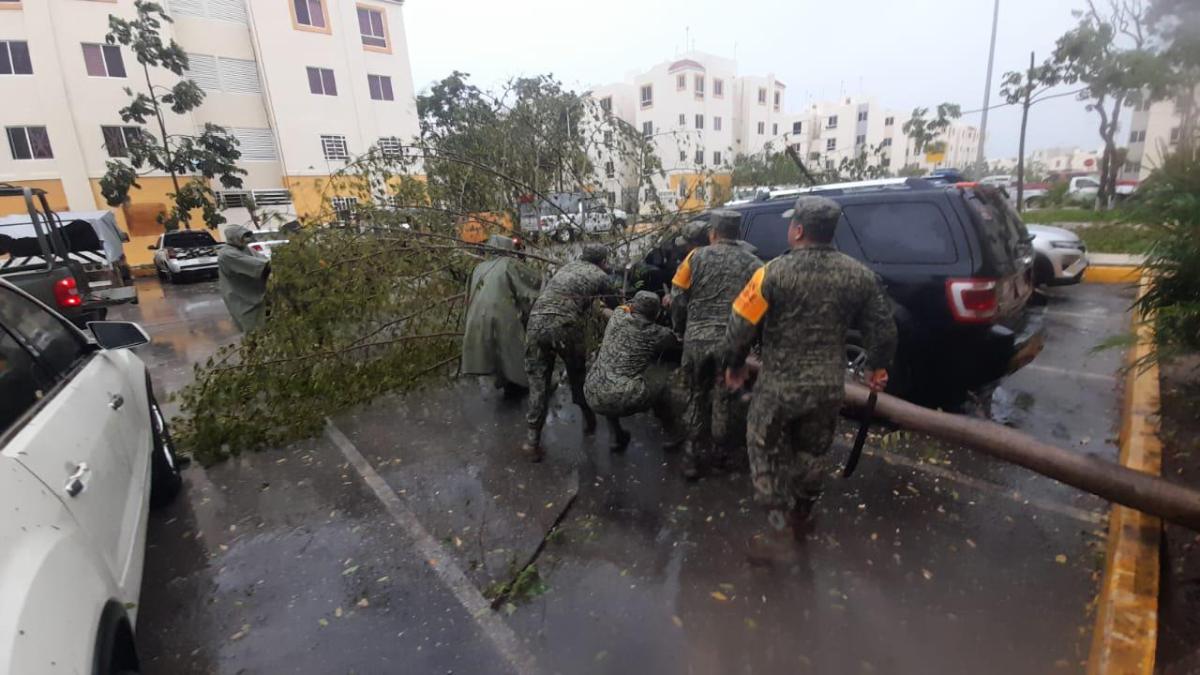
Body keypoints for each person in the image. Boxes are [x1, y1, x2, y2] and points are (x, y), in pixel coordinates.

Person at [724, 196, 896, 562]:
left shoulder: (770, 273)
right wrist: (875, 368)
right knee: (812, 452)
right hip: (827, 388)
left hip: (778, 388)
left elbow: (739, 327)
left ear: (798, 230)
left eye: (791, 224)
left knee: (763, 451)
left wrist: (735, 365)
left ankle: (776, 530)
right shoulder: (859, 275)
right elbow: (883, 329)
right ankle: (802, 514)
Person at [670, 209, 762, 479]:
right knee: (724, 398)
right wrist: (753, 342)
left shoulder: (694, 257)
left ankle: (691, 457)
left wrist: (679, 327)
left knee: (696, 397)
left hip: (696, 340)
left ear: (712, 233)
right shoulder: (754, 265)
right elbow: (758, 309)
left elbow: (677, 297)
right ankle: (721, 454)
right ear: (739, 233)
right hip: (730, 344)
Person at [522, 243, 619, 461]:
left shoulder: (566, 268)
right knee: (578, 376)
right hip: (565, 327)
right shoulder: (600, 275)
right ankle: (589, 420)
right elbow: (617, 305)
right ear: (602, 261)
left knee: (538, 383)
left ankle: (531, 441)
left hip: (536, 324)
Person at [584, 291, 680, 452]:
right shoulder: (657, 333)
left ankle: (616, 436)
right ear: (656, 313)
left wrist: (599, 305)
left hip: (592, 390)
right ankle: (671, 433)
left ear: (633, 306)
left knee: (611, 378)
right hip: (622, 398)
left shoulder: (618, 316)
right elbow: (677, 341)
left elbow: (608, 310)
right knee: (662, 379)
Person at [461, 234, 542, 397]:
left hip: (476, 316)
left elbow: (469, 296)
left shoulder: (478, 267)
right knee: (513, 350)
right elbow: (534, 284)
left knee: (495, 350)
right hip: (501, 315)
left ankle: (505, 381)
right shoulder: (510, 264)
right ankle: (523, 384)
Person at [217, 224, 270, 332]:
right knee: (252, 328)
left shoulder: (246, 249)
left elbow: (263, 260)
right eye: (243, 236)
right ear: (233, 237)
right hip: (242, 298)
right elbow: (260, 265)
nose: (246, 239)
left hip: (256, 294)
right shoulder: (227, 254)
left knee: (265, 326)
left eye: (247, 236)